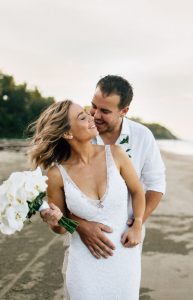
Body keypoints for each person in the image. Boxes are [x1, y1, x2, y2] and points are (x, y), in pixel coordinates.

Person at [29, 100, 145, 299]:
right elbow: (61, 226)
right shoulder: (56, 175)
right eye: (82, 117)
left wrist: (137, 225)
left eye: (86, 114)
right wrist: (55, 221)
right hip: (84, 267)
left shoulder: (116, 154)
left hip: (125, 261)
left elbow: (138, 191)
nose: (92, 117)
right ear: (67, 133)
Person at [68, 75, 166, 259]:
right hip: (81, 239)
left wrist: (137, 224)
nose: (95, 115)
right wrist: (80, 226)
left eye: (105, 111)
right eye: (93, 106)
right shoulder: (77, 133)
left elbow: (156, 185)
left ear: (124, 111)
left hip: (126, 238)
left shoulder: (142, 136)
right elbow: (57, 198)